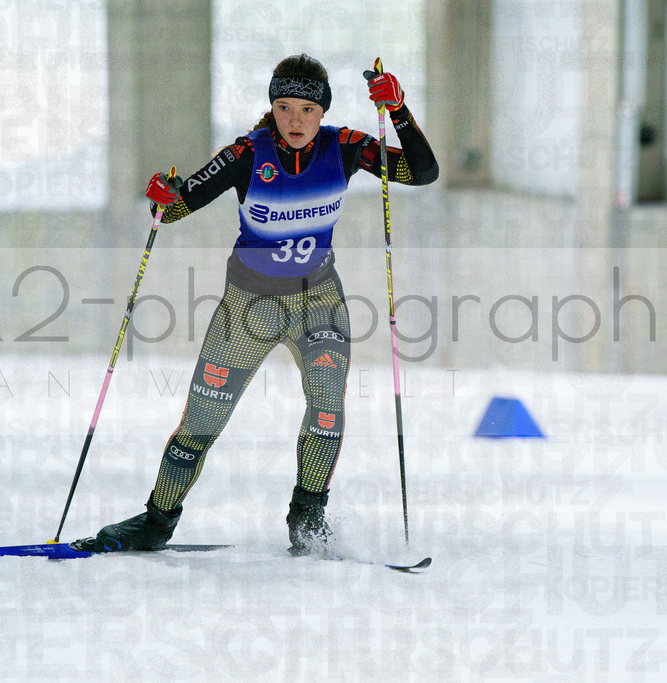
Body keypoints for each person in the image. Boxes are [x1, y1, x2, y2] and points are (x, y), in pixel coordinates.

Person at [72, 54, 438, 556]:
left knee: (327, 408)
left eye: (307, 110)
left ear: (323, 112)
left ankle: (307, 521)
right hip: (248, 306)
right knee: (201, 423)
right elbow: (176, 206)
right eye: (284, 107)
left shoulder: (346, 147)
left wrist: (398, 110)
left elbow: (422, 172)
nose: (295, 121)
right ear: (272, 108)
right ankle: (157, 522)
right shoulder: (247, 153)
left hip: (319, 301)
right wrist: (163, 196)